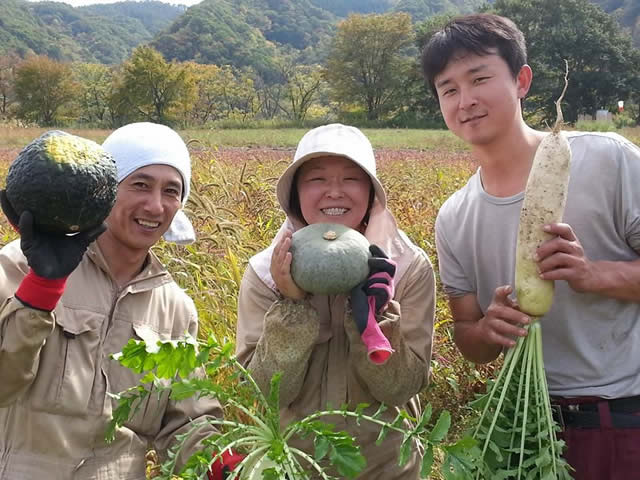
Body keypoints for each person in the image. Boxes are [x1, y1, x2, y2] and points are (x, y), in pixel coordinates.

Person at [421, 13, 640, 480]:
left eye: (480, 79)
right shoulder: (454, 216)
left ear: (521, 81)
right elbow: (468, 338)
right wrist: (488, 330)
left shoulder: (608, 159)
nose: (466, 100)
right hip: (522, 427)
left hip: (621, 415)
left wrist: (593, 274)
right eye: (449, 89)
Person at [0, 122, 241, 479]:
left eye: (171, 191)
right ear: (105, 190)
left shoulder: (174, 307)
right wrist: (41, 291)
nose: (155, 205)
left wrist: (227, 466)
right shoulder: (23, 265)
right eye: (140, 184)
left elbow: (184, 421)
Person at [235, 123, 435, 479]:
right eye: (316, 180)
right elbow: (263, 393)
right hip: (291, 468)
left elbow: (401, 388)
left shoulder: (406, 268)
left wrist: (375, 316)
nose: (334, 193)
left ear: (371, 193)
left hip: (387, 468)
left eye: (351, 180)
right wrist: (292, 308)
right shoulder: (266, 272)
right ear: (295, 194)